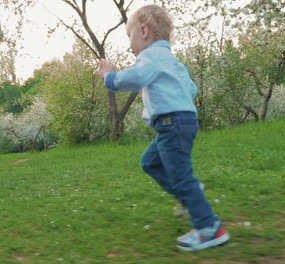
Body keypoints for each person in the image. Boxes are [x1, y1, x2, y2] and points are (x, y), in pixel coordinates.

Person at [98, 4, 229, 251]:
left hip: (172, 124)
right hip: (181, 123)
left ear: (144, 31)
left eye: (130, 36)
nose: (129, 45)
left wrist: (110, 77)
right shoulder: (170, 59)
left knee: (181, 177)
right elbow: (191, 88)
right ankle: (189, 196)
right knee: (150, 162)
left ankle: (209, 228)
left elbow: (135, 78)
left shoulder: (150, 57)